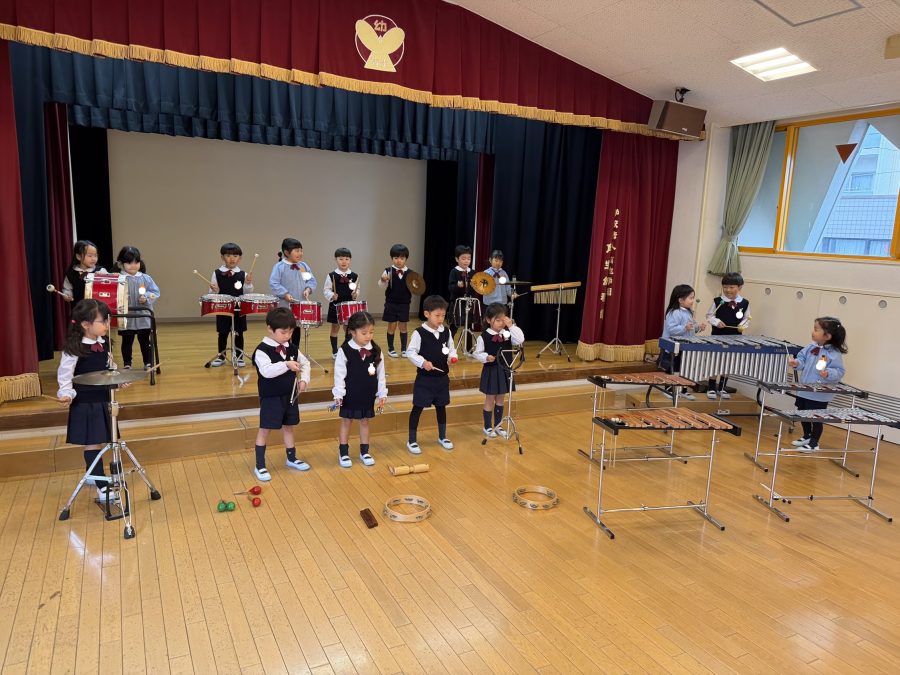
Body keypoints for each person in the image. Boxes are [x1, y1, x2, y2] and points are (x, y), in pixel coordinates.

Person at [57, 299, 122, 500]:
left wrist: (119, 379)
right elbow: (65, 375)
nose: (107, 325)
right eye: (103, 321)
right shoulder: (74, 348)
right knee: (92, 443)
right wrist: (66, 393)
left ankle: (93, 475)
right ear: (86, 324)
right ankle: (102, 487)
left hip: (103, 400)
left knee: (101, 439)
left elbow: (110, 368)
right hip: (86, 402)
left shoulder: (104, 343)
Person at [251, 307, 311, 481]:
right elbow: (266, 371)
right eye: (283, 332)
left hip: (289, 396)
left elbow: (305, 363)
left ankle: (291, 458)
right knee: (265, 430)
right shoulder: (262, 350)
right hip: (271, 398)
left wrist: (304, 380)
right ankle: (260, 465)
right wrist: (286, 364)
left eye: (290, 332)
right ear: (270, 329)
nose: (287, 336)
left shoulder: (291, 348)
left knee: (289, 427)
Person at [332, 311, 387, 467]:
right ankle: (343, 453)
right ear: (352, 332)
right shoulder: (344, 350)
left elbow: (381, 375)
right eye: (364, 333)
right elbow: (339, 375)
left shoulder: (376, 351)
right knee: (346, 421)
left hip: (367, 393)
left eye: (371, 332)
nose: (368, 336)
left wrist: (382, 393)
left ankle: (365, 452)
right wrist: (339, 394)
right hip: (350, 394)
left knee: (364, 422)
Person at [406, 295, 458, 454]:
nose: (441, 319)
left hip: (442, 379)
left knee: (441, 407)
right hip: (425, 380)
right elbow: (410, 352)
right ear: (427, 314)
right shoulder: (419, 333)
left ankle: (442, 436)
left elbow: (451, 348)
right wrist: (423, 362)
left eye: (443, 315)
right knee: (418, 407)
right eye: (437, 315)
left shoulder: (446, 332)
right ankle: (412, 440)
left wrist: (452, 357)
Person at [787, 316, 848, 451]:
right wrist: (796, 363)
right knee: (802, 413)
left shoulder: (834, 353)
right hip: (805, 389)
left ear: (827, 336)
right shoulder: (811, 347)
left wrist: (828, 373)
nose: (813, 332)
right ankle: (807, 436)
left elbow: (839, 371)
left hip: (819, 393)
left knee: (816, 417)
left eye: (816, 329)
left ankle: (814, 443)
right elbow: (802, 359)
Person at [473, 302, 525, 438]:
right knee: (490, 399)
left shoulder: (507, 333)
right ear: (488, 320)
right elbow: (477, 353)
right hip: (492, 370)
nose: (501, 323)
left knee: (501, 399)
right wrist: (486, 357)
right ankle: (487, 426)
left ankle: (498, 425)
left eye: (503, 320)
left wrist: (511, 326)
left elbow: (520, 339)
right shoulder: (484, 336)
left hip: (505, 369)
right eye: (497, 320)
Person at [704, 272, 750, 400]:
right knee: (715, 362)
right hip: (717, 336)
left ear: (739, 287)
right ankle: (711, 387)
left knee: (728, 363)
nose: (728, 290)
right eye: (725, 287)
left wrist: (742, 325)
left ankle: (722, 388)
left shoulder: (744, 303)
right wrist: (717, 322)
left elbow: (747, 318)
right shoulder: (718, 301)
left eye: (731, 287)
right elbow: (709, 316)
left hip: (735, 337)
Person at [208, 242, 253, 367]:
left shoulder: (243, 274)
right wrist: (214, 290)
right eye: (228, 256)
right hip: (223, 308)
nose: (232, 258)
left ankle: (239, 357)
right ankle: (221, 356)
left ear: (240, 258)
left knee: (239, 332)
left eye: (235, 256)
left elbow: (247, 292)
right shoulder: (217, 273)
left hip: (239, 308)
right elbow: (212, 293)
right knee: (222, 333)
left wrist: (248, 283)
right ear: (222, 257)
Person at [115, 246, 160, 370]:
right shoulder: (118, 279)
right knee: (127, 341)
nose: (133, 266)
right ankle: (127, 363)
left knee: (145, 341)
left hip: (143, 317)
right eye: (129, 263)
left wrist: (146, 297)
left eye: (136, 262)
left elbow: (155, 292)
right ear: (121, 263)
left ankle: (148, 362)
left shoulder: (146, 278)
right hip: (126, 318)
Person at [659, 284, 706, 400]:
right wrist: (685, 328)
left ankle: (683, 390)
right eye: (690, 298)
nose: (692, 300)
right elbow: (671, 329)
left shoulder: (689, 312)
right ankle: (669, 389)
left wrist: (698, 328)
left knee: (685, 369)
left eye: (693, 298)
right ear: (680, 300)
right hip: (673, 347)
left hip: (685, 346)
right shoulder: (674, 312)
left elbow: (690, 329)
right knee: (673, 369)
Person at [269, 237, 317, 347]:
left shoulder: (302, 267)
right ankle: (282, 351)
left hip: (298, 305)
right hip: (284, 306)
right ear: (286, 252)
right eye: (297, 251)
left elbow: (310, 280)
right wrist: (285, 294)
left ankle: (294, 351)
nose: (300, 253)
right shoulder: (280, 267)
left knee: (296, 330)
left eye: (301, 250)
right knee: (284, 330)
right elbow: (274, 283)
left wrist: (308, 289)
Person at [378, 243, 414, 358]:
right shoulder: (387, 271)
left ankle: (404, 349)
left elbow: (415, 288)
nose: (399, 261)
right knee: (392, 325)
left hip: (404, 304)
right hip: (391, 303)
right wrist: (383, 280)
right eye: (396, 258)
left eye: (402, 258)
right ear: (392, 258)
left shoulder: (410, 273)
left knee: (403, 326)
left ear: (406, 259)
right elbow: (381, 286)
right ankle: (391, 349)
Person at [323, 247, 360, 359]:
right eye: (341, 259)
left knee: (349, 329)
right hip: (335, 305)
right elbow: (326, 290)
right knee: (335, 328)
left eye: (347, 259)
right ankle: (335, 351)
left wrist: (356, 294)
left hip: (349, 306)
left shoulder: (354, 276)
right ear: (336, 259)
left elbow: (357, 289)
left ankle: (346, 349)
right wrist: (332, 295)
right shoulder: (331, 275)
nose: (344, 261)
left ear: (350, 260)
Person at [448, 244, 475, 343]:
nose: (466, 261)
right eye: (463, 258)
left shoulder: (472, 272)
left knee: (469, 327)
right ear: (457, 259)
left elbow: (476, 288)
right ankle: (448, 346)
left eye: (469, 258)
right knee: (454, 326)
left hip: (469, 303)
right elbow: (450, 288)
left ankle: (469, 348)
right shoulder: (454, 272)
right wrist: (457, 286)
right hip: (457, 304)